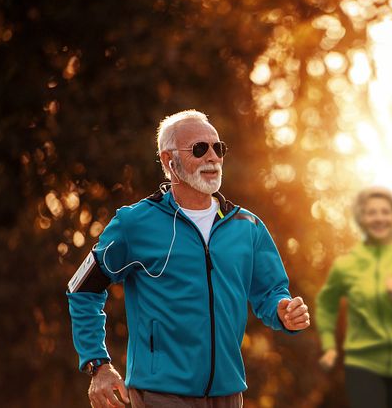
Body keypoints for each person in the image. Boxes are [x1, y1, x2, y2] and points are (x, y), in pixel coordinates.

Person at [66, 110, 310, 408]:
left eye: (218, 148)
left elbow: (271, 293)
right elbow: (83, 288)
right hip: (160, 394)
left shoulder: (247, 226)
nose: (213, 157)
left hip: (229, 395)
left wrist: (284, 311)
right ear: (169, 161)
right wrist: (97, 364)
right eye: (199, 149)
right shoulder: (135, 224)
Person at [315, 187, 392, 408]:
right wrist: (329, 344)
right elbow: (326, 303)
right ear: (361, 218)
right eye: (371, 212)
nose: (379, 218)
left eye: (386, 212)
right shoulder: (347, 265)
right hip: (363, 363)